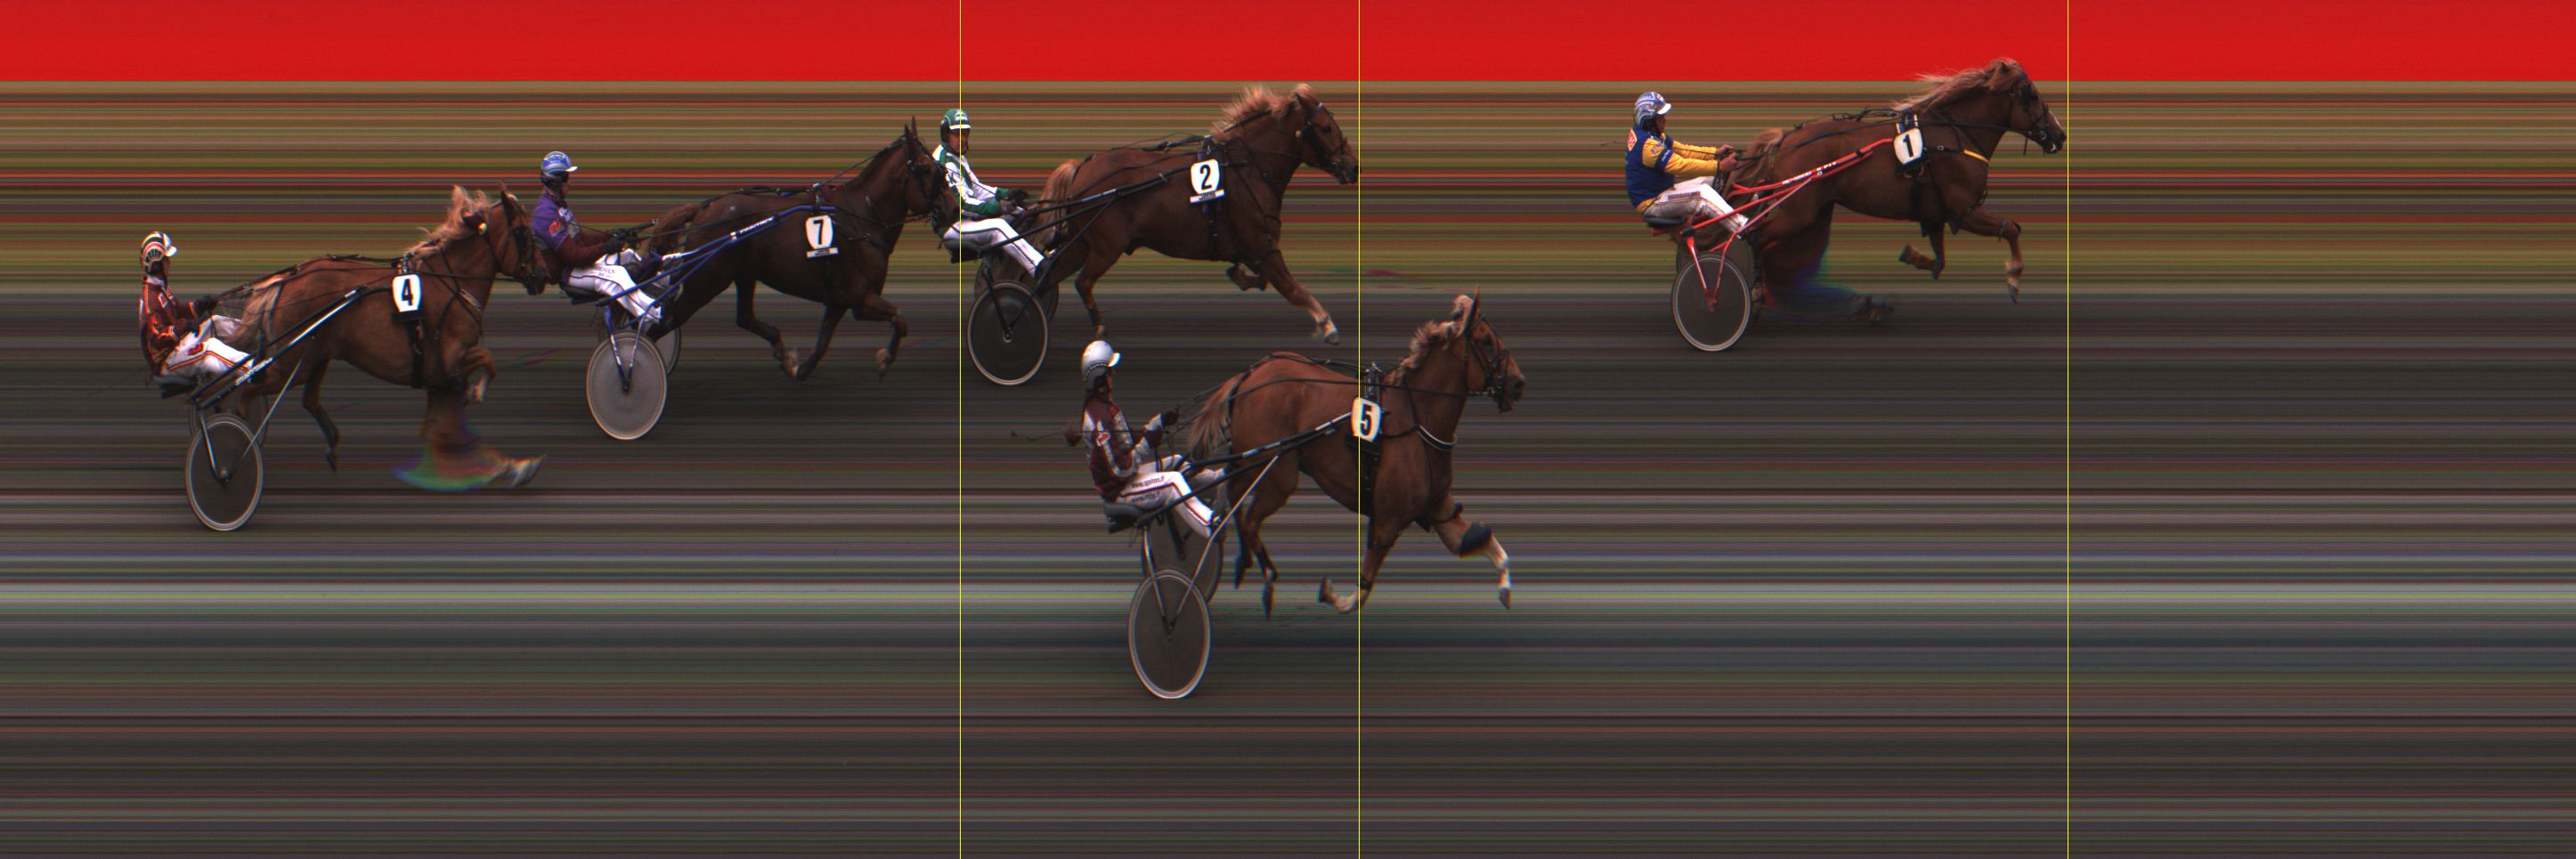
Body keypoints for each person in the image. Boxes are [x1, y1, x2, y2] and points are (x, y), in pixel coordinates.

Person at [1073, 340, 1215, 538]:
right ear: (1100, 377)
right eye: (1110, 371)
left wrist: (1159, 423)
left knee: (1177, 462)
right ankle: (1210, 525)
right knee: (1173, 482)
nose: (1114, 374)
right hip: (1120, 491)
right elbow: (1120, 470)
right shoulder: (1099, 419)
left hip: (1128, 478)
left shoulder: (1106, 406)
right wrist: (1147, 442)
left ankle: (1220, 483)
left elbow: (1130, 439)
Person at [532, 150, 662, 327]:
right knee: (617, 275)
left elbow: (582, 239)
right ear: (556, 181)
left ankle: (662, 285)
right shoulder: (545, 213)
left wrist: (613, 235)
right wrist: (606, 247)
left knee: (629, 256)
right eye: (567, 178)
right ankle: (656, 313)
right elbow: (573, 257)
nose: (570, 182)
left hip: (578, 265)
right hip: (568, 273)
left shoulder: (559, 205)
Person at [932, 109, 1046, 274]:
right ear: (945, 134)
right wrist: (997, 207)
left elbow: (977, 189)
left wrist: (1006, 194)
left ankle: (1045, 248)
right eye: (957, 134)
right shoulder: (944, 163)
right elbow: (962, 205)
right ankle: (1040, 268)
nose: (962, 139)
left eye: (965, 134)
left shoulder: (956, 156)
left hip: (965, 219)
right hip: (952, 225)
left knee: (1020, 212)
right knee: (998, 227)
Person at [135, 231, 250, 391]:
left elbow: (179, 309)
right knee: (210, 347)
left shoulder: (160, 288)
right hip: (167, 361)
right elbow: (158, 337)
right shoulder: (151, 298)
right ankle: (253, 367)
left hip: (179, 346)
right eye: (166, 259)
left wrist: (201, 305)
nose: (169, 262)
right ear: (156, 264)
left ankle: (256, 332)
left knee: (215, 321)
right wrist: (185, 325)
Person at [1624, 91, 1748, 231]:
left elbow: (1683, 150)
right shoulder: (1648, 145)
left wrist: (1715, 153)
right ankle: (1743, 228)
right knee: (1702, 194)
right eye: (1660, 117)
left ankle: (1750, 200)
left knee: (1715, 179)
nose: (1664, 120)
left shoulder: (1652, 135)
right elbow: (1680, 165)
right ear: (1648, 120)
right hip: (1653, 203)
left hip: (1664, 191)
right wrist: (1719, 166)